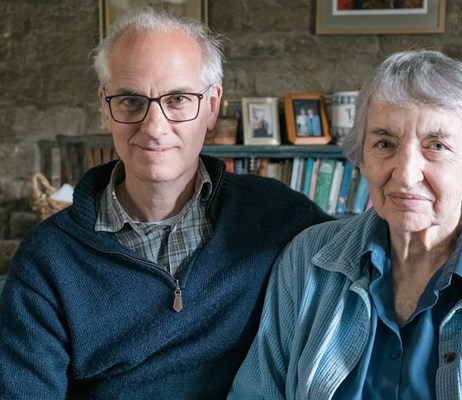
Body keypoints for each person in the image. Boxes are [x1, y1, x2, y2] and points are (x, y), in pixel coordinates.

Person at [0, 7, 331, 399]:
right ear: (105, 106)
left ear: (212, 107)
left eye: (177, 99)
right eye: (130, 100)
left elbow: (372, 265)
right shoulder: (48, 260)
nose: (154, 127)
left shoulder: (278, 216)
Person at [228, 50, 462, 399]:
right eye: (385, 144)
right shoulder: (305, 260)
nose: (405, 175)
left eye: (436, 146)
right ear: (361, 158)